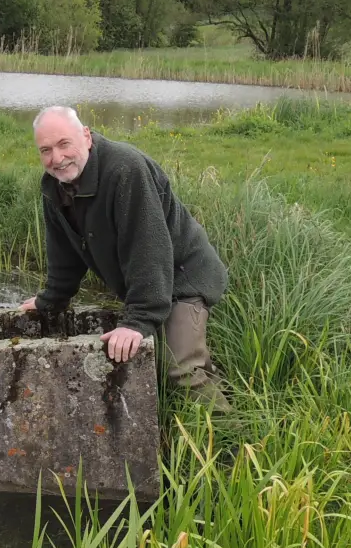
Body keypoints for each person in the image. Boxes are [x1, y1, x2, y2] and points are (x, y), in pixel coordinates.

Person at [20, 105, 230, 408]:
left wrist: (137, 321)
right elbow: (64, 251)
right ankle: (231, 405)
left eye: (64, 144)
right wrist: (50, 300)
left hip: (185, 276)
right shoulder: (55, 186)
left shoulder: (125, 170)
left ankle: (232, 449)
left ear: (86, 137)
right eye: (45, 150)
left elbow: (149, 247)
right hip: (157, 277)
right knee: (183, 361)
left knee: (181, 368)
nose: (56, 158)